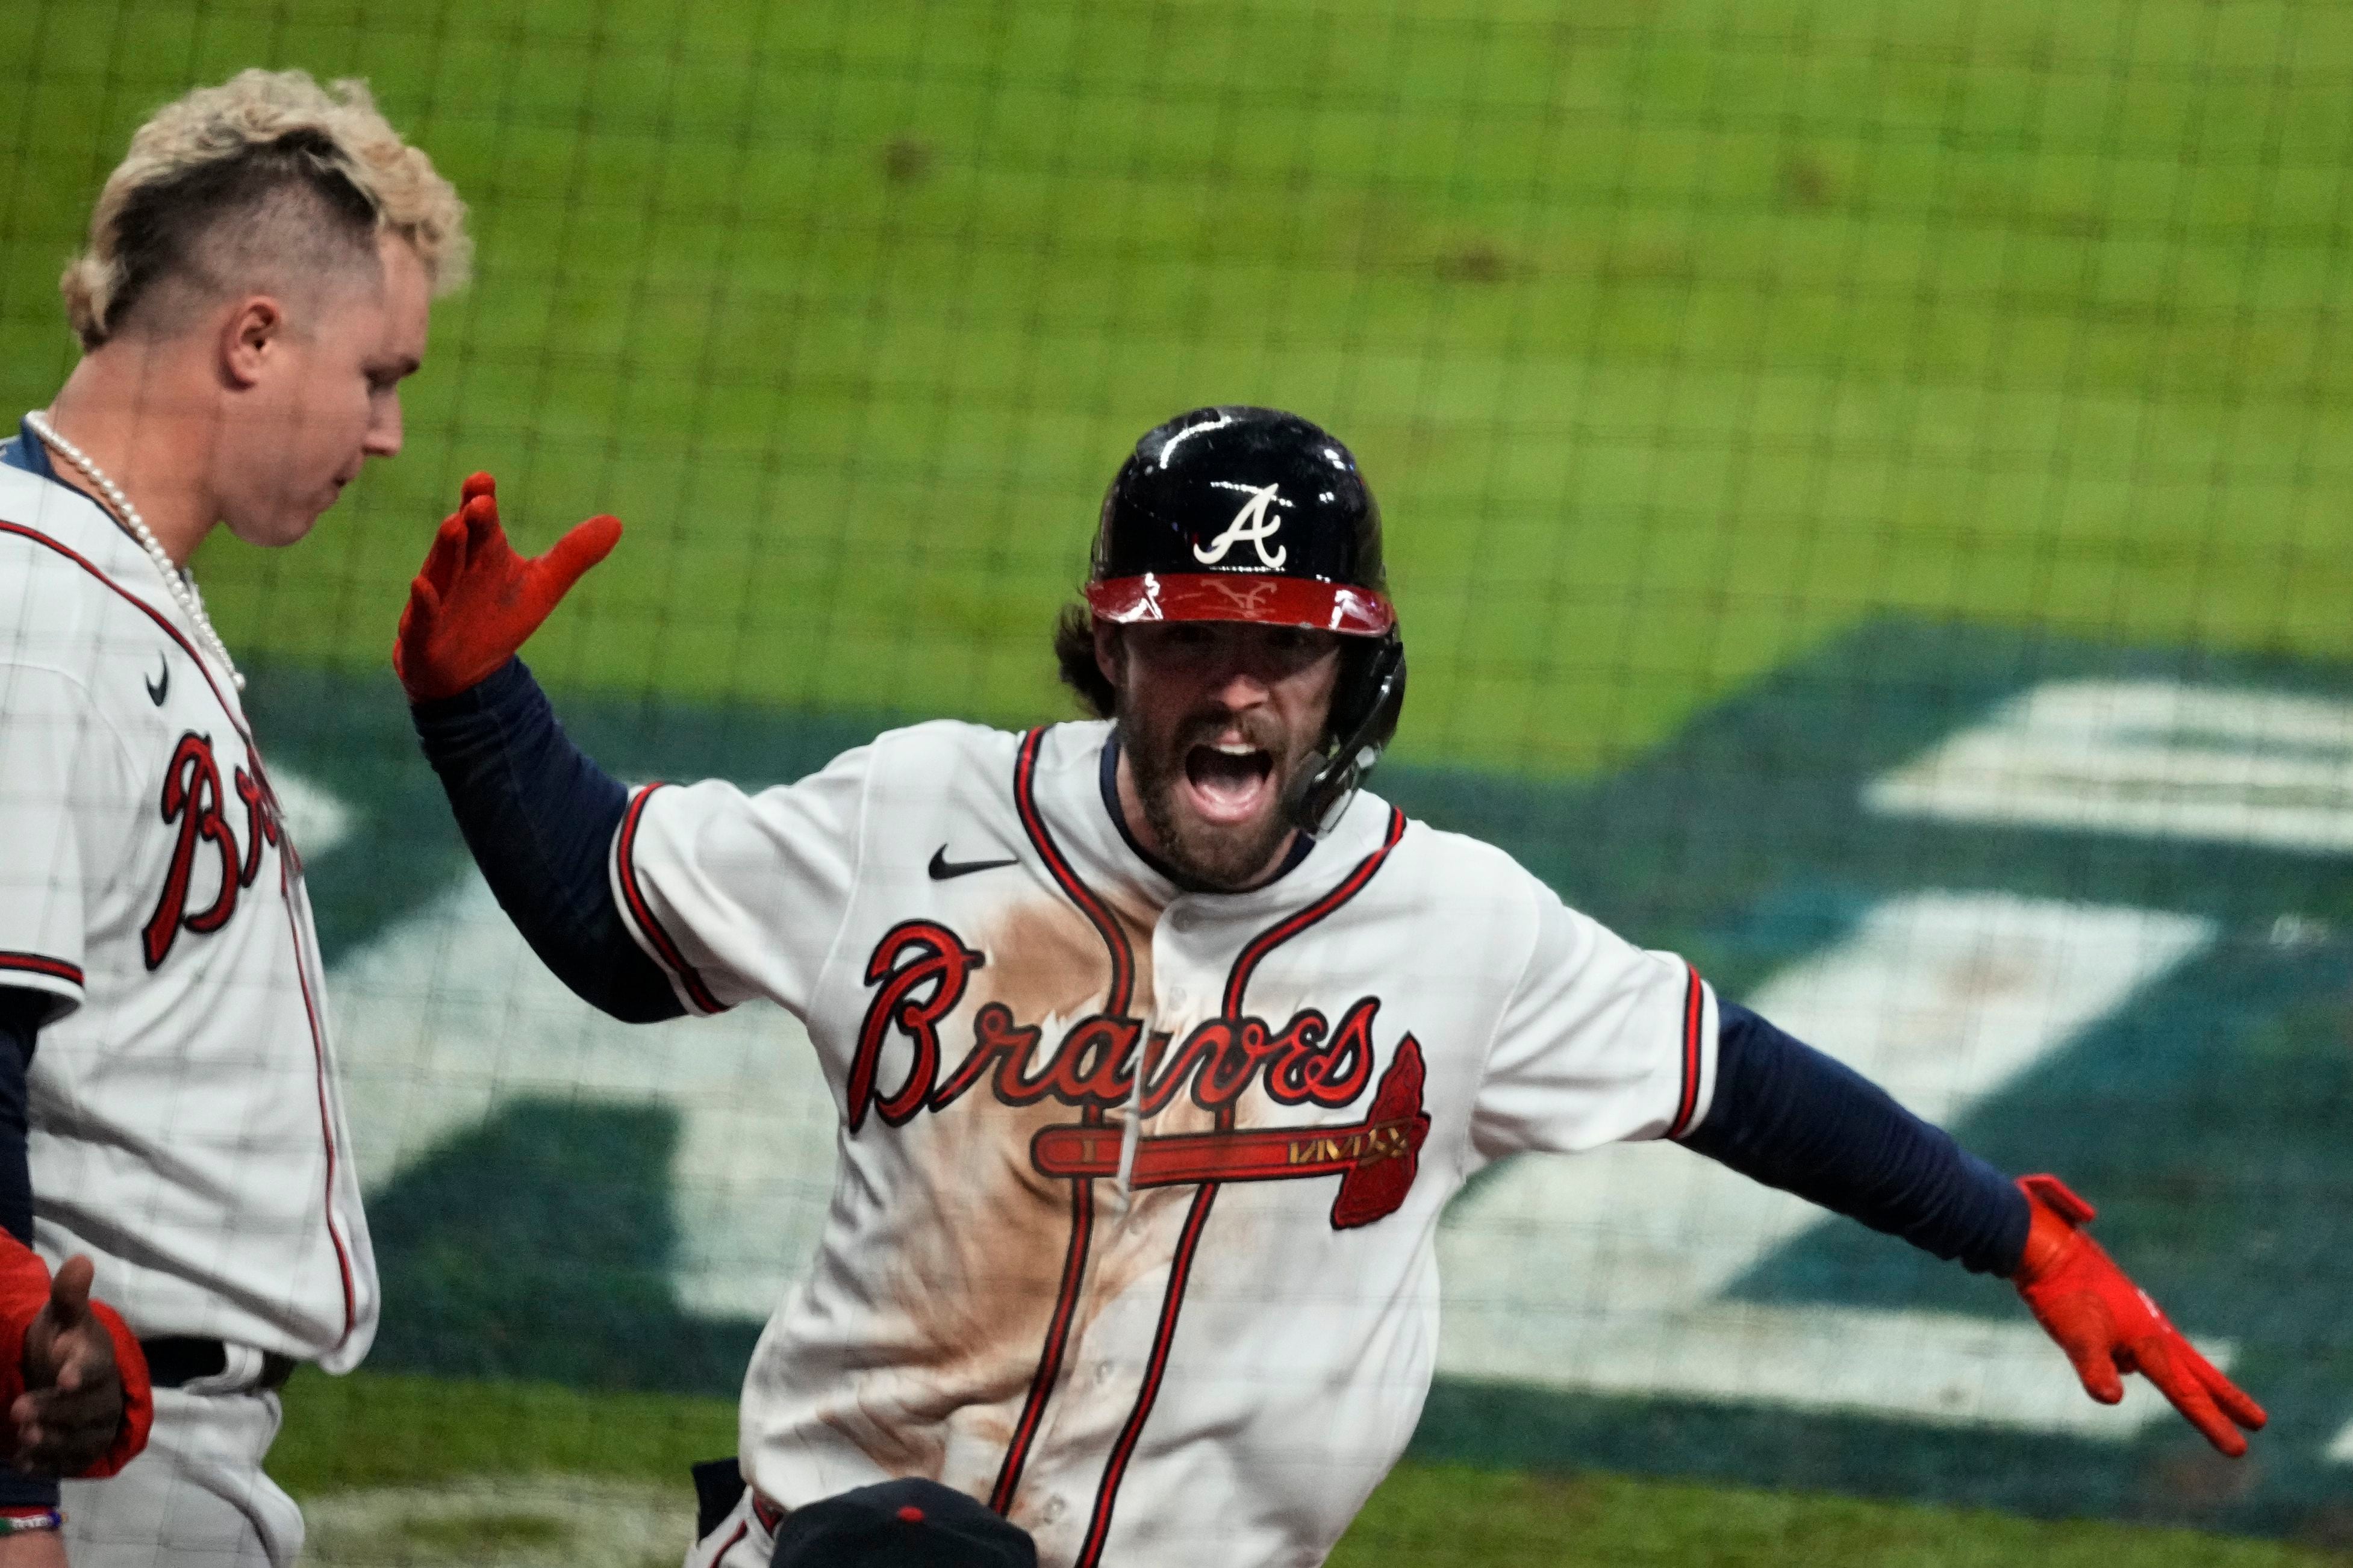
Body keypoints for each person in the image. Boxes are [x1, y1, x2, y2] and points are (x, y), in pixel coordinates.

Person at [395, 405, 2263, 1568]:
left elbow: (1734, 1080)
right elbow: (613, 927)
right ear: (1112, 654)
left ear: (1349, 680)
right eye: (1186, 639)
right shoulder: (918, 811)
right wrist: (478, 709)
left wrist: (2008, 1240)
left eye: (1282, 650)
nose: (1232, 687)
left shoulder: (1458, 925)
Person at [0, 68, 469, 1567]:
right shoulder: (33, 609)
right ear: (253, 338)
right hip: (85, 1450)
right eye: (379, 375)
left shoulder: (112, 584)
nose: (387, 432)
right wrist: (16, 1504)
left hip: (150, 1446)